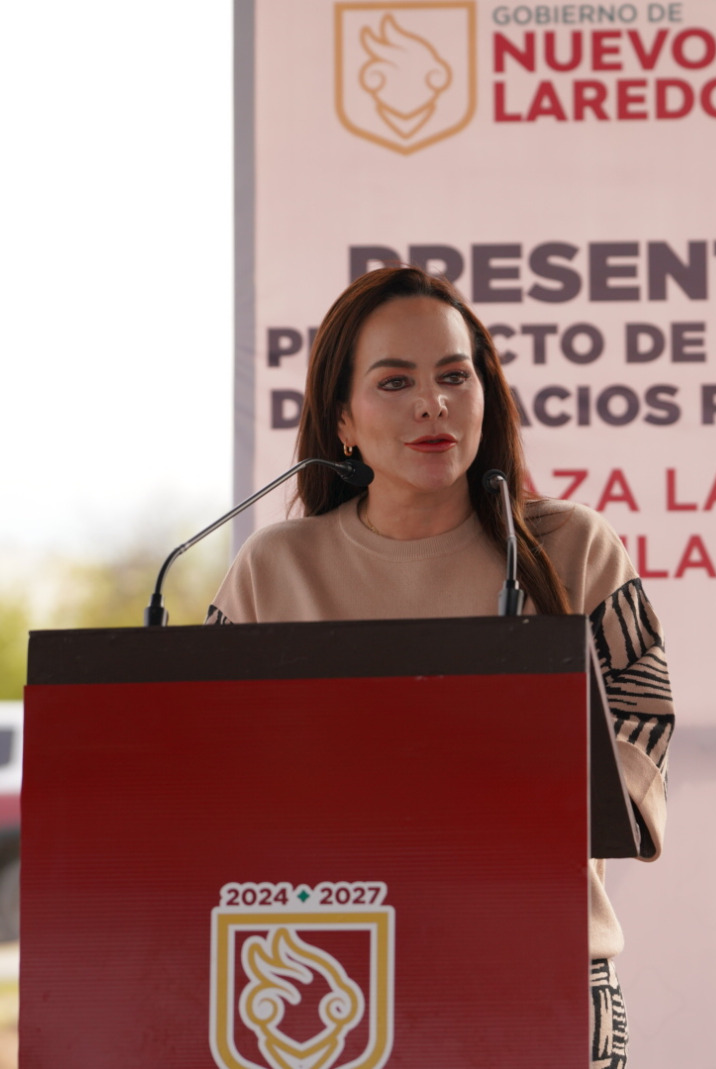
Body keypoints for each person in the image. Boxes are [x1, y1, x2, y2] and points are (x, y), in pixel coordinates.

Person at [206, 266, 672, 1067]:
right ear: (343, 417)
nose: (433, 404)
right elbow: (207, 760)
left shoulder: (569, 546)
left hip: (544, 968)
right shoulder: (275, 567)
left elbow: (639, 709)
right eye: (396, 382)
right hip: (334, 971)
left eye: (456, 376)